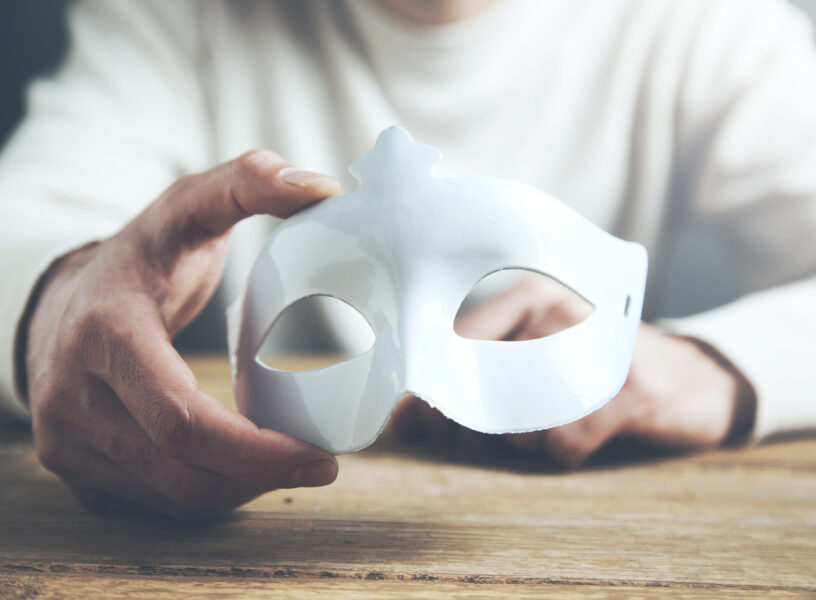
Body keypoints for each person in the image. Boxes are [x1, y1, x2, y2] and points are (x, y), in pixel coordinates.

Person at [0, 0, 815, 519]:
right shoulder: (172, 19)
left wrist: (722, 366)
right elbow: (26, 220)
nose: (419, 371)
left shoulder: (711, 27)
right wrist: (55, 304)